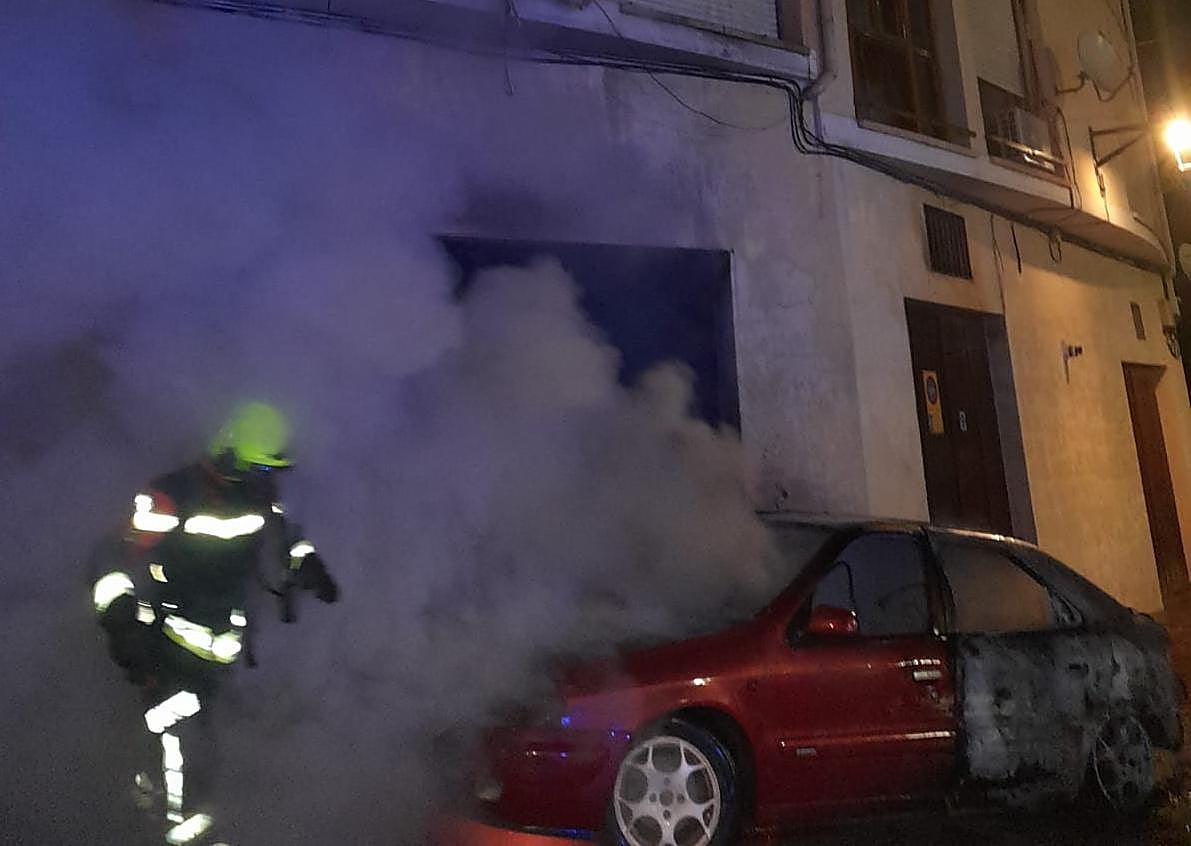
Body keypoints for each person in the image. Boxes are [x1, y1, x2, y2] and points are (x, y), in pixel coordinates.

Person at [91, 402, 338, 845]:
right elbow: (109, 557)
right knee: (176, 754)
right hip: (163, 651)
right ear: (231, 455)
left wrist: (306, 563)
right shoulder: (173, 495)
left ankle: (148, 815)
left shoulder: (261, 496)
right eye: (261, 470)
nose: (270, 482)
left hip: (219, 658)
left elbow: (283, 532)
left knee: (197, 757)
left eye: (273, 473)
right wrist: (120, 619)